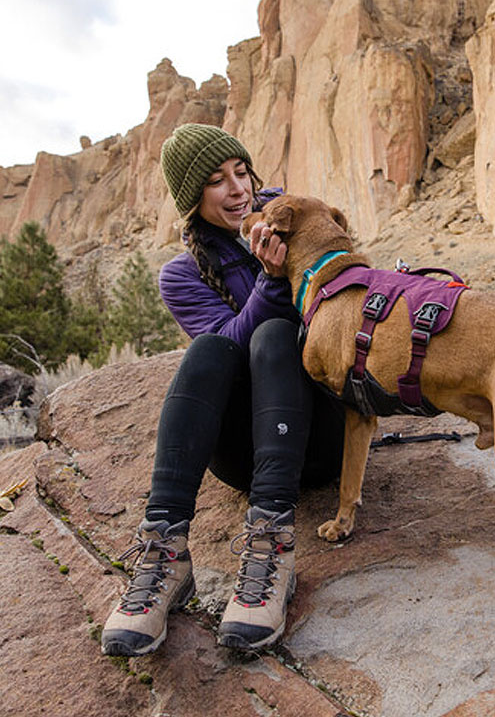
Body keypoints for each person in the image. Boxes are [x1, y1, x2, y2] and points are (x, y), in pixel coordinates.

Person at [101, 123, 344, 656]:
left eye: (241, 173)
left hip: (321, 438)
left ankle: (271, 548)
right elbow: (232, 346)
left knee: (280, 335)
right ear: (194, 199)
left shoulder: (297, 217)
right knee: (209, 350)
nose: (237, 189)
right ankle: (164, 553)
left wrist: (292, 265)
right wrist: (268, 279)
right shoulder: (180, 276)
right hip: (244, 454)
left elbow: (341, 315)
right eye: (217, 181)